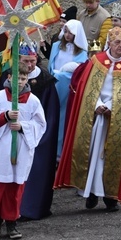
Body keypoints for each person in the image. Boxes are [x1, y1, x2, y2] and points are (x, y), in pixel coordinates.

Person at [54, 27, 121, 211]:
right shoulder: (97, 61)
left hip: (117, 118)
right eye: (117, 42)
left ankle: (110, 197)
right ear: (109, 44)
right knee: (91, 155)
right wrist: (96, 104)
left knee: (110, 157)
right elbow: (85, 87)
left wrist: (111, 106)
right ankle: (91, 193)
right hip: (95, 117)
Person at [0, 69, 46, 240]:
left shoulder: (33, 101)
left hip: (21, 150)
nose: (20, 81)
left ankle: (11, 222)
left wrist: (23, 127)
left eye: (24, 78)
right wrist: (5, 116)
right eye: (17, 78)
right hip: (0, 150)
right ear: (9, 78)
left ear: (27, 80)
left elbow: (40, 124)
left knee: (14, 189)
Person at [10, 45, 59, 221]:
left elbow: (51, 113)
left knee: (35, 171)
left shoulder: (45, 80)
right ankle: (10, 208)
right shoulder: (10, 76)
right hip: (13, 134)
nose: (30, 65)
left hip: (37, 136)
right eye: (25, 61)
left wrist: (38, 135)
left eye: (32, 61)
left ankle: (31, 208)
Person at [47, 19, 88, 162]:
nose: (67, 35)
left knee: (64, 119)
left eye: (71, 32)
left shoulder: (81, 51)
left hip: (67, 88)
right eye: (65, 31)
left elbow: (80, 71)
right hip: (54, 84)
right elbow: (51, 66)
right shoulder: (57, 46)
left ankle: (60, 153)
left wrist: (62, 74)